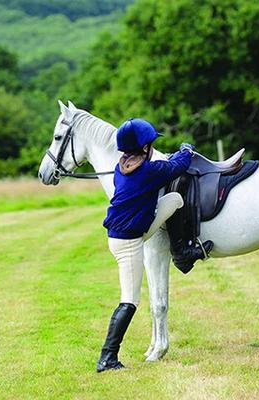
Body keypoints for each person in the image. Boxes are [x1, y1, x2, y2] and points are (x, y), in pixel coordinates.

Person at [97, 118, 213, 372]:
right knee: (129, 301)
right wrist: (186, 149)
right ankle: (107, 358)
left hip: (121, 235)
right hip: (129, 243)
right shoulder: (149, 171)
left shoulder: (121, 167)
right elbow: (178, 166)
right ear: (146, 147)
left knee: (174, 199)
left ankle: (180, 249)